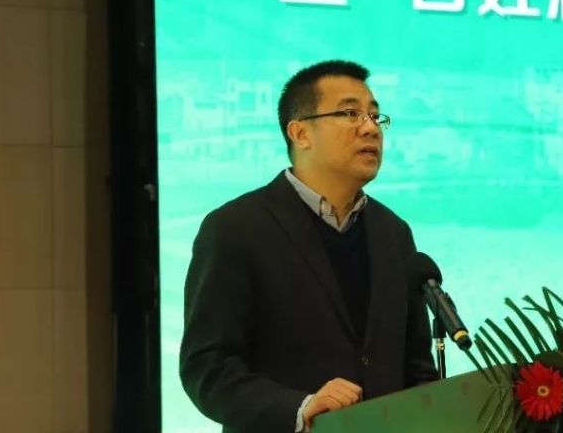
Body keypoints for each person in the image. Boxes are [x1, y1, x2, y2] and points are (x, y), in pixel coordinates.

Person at [179, 60, 439, 433]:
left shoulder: (393, 232)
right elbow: (207, 367)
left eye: (375, 116)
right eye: (350, 113)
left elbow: (416, 366)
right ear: (301, 133)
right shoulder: (235, 227)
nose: (370, 128)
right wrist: (299, 409)